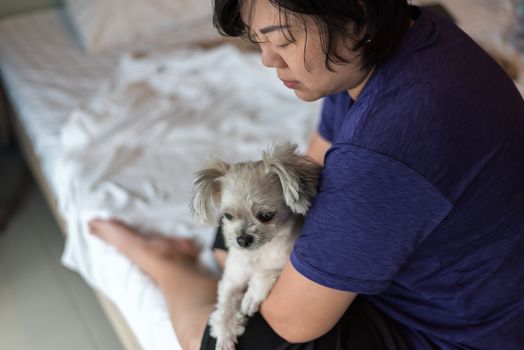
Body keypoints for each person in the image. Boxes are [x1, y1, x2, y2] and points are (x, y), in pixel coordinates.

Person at [88, 0, 524, 349]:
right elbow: (315, 166)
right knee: (235, 244)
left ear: (356, 12)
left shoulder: (385, 146)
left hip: (456, 332)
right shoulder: (405, 41)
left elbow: (292, 321)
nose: (267, 59)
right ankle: (208, 260)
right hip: (465, 285)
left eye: (283, 39)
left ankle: (165, 264)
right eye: (258, 41)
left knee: (219, 341)